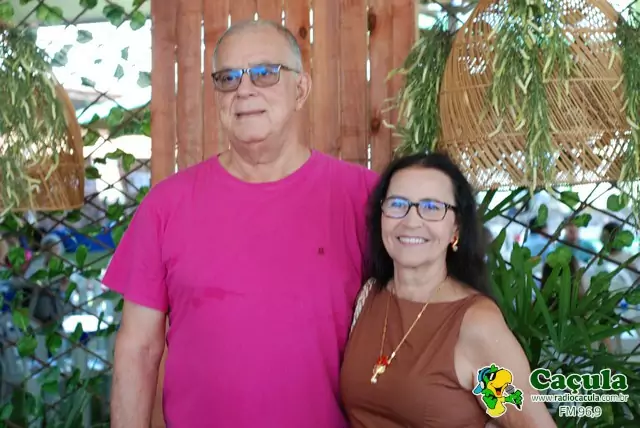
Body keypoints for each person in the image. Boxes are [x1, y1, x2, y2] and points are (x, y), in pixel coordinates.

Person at [104, 19, 377, 428]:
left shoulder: (366, 198)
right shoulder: (166, 205)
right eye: (228, 78)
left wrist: (487, 393)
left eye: (265, 73)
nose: (244, 90)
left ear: (301, 89)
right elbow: (137, 351)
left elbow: (426, 324)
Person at [341, 153, 556, 427]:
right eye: (398, 204)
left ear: (456, 227)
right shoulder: (370, 297)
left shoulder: (476, 323)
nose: (411, 221)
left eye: (432, 207)